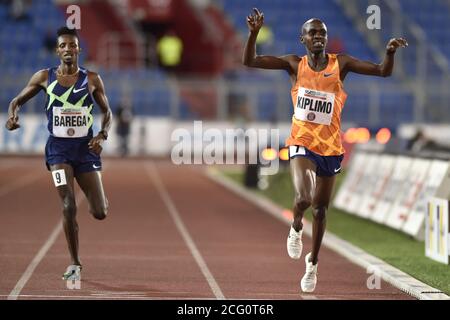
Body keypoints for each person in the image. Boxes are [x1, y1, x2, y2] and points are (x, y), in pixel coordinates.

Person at [243, 8, 407, 293]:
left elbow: (382, 71)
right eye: (313, 33)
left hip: (330, 146)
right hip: (301, 143)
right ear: (302, 39)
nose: (318, 36)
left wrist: (390, 52)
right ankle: (295, 226)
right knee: (304, 198)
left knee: (320, 210)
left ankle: (313, 263)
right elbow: (251, 61)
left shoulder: (340, 64)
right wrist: (254, 34)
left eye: (322, 33)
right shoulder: (294, 65)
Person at [5, 27, 113, 282]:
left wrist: (102, 135)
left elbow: (107, 113)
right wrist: (12, 116)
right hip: (58, 152)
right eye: (63, 45)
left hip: (85, 151)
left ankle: (98, 199)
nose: (67, 49)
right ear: (57, 50)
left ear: (78, 49)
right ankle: (75, 262)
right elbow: (16, 101)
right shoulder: (44, 77)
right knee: (68, 205)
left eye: (72, 45)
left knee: (100, 212)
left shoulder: (92, 79)